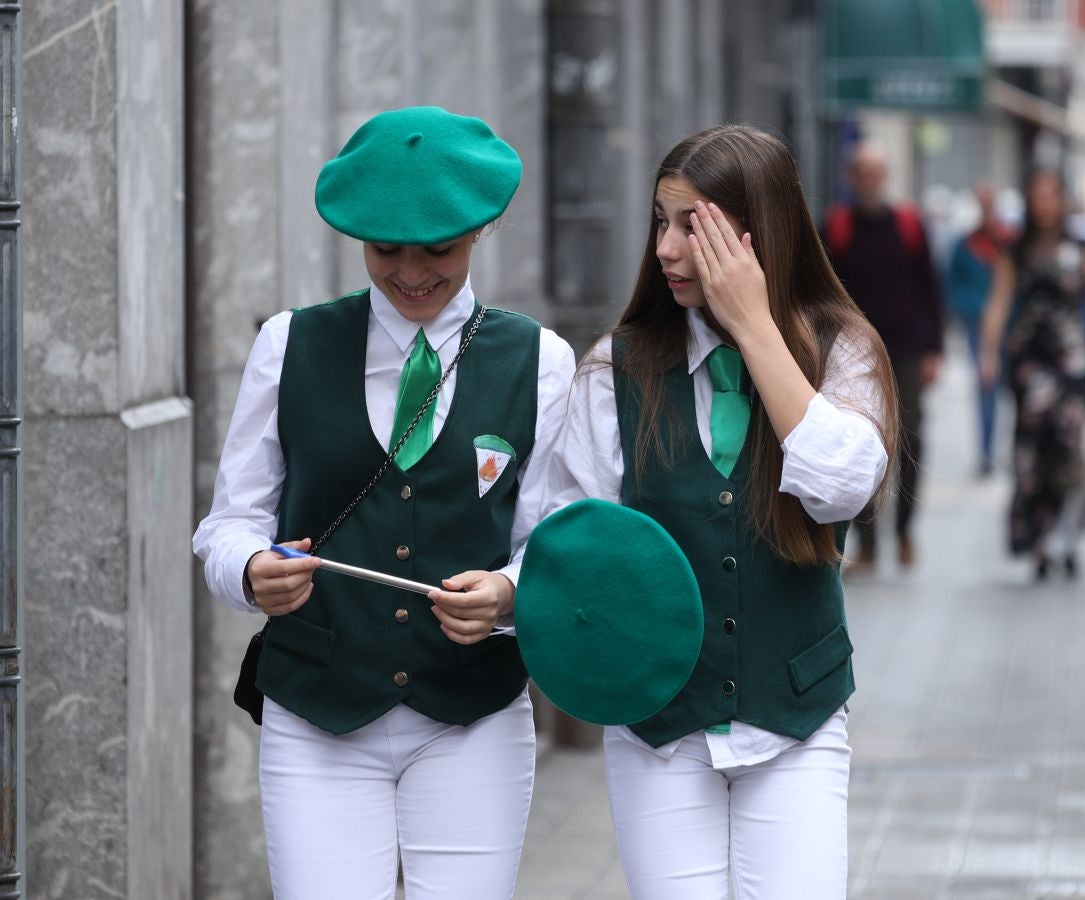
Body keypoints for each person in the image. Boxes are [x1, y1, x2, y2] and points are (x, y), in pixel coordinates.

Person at [192, 107, 575, 899]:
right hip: (317, 710)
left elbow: (553, 541)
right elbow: (229, 524)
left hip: (472, 714)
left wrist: (509, 593)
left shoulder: (541, 362)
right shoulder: (287, 344)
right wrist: (251, 568)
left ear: (480, 229)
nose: (409, 273)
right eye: (384, 250)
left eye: (438, 250)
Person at [549, 125, 899, 898]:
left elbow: (842, 488)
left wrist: (755, 326)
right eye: (660, 223)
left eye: (691, 226)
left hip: (797, 719)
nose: (667, 249)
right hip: (658, 726)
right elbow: (576, 542)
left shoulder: (844, 354)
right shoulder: (616, 368)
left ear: (756, 234)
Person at [978, 168, 1085, 580]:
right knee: (1030, 452)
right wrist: (988, 354)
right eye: (1037, 194)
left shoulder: (1082, 247)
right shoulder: (1015, 249)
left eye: (1050, 194)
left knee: (1069, 446)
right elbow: (998, 302)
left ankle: (1068, 533)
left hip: (1072, 361)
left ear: (1062, 199)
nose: (1044, 202)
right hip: (1030, 364)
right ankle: (1038, 541)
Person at [822, 142, 944, 571]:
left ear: (885, 177)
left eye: (877, 172)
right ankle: (869, 546)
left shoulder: (908, 226)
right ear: (851, 178)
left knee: (909, 440)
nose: (870, 180)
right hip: (855, 356)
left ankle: (905, 531)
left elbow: (932, 290)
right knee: (861, 443)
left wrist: (935, 350)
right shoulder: (836, 229)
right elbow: (820, 293)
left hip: (907, 350)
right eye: (863, 173)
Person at [947, 181, 1015, 476]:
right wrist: (973, 309)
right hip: (977, 326)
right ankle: (987, 453)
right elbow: (952, 286)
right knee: (986, 388)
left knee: (1014, 388)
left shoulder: (1010, 241)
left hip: (1011, 326)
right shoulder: (966, 244)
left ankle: (1012, 451)